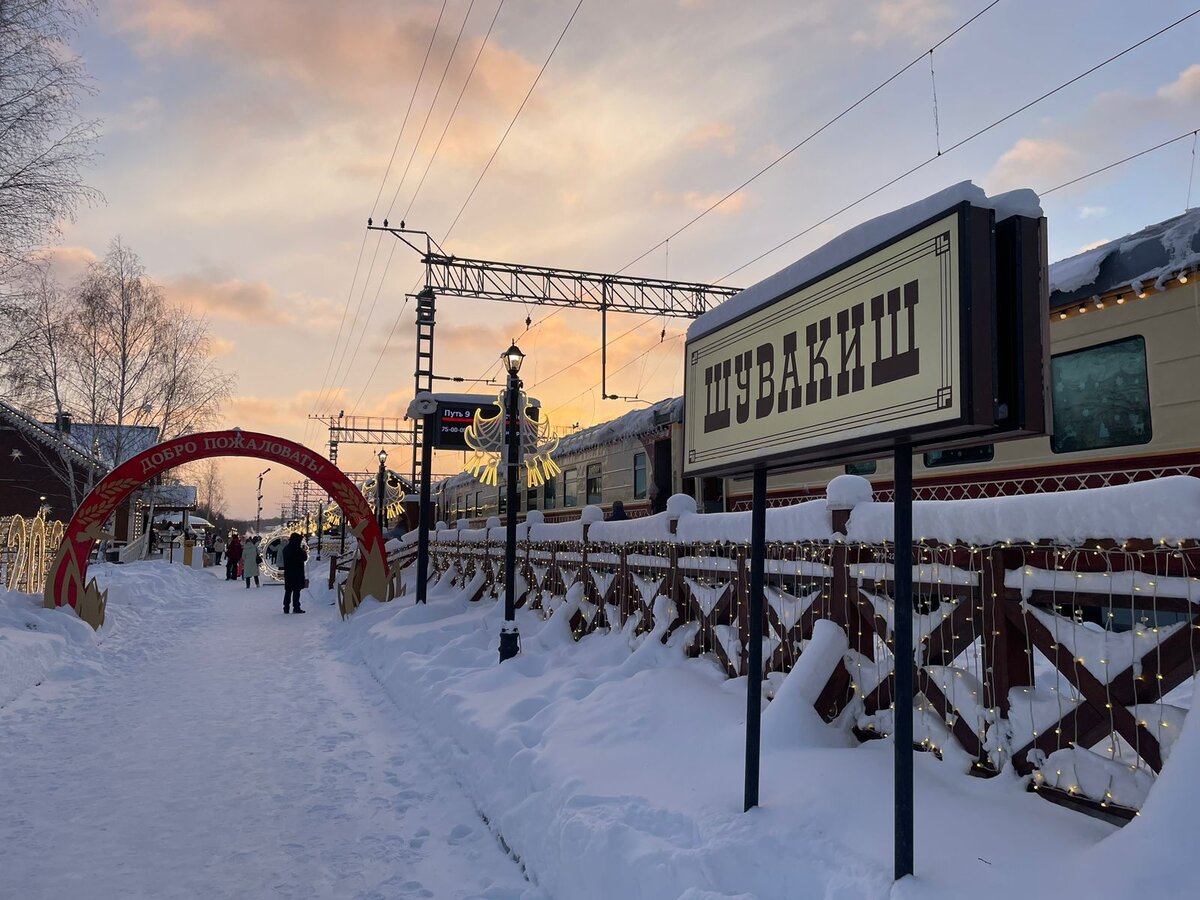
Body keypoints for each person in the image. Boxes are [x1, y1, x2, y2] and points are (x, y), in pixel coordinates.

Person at [281, 532, 307, 614]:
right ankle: (296, 607)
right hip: (297, 573)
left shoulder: (286, 549)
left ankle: (286, 607)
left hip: (288, 573)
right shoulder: (298, 549)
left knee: (288, 591)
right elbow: (304, 558)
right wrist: (304, 551)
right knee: (296, 591)